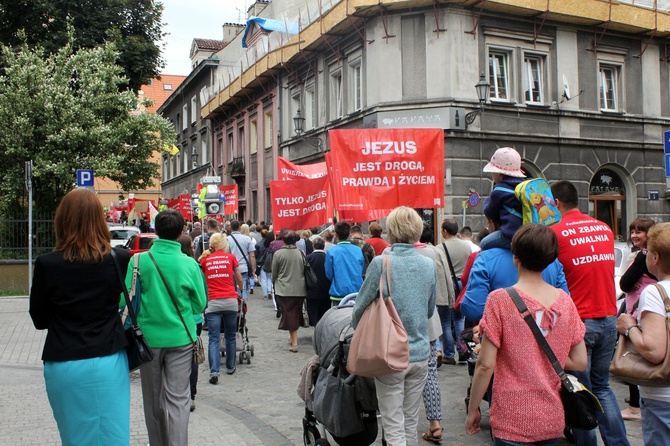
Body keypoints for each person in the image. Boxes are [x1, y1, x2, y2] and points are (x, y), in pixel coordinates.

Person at [465, 224, 587, 445]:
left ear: (515, 257)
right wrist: (545, 356)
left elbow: (485, 364)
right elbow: (580, 361)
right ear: (550, 259)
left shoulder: (499, 300)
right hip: (552, 416)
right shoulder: (565, 302)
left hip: (511, 417)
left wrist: (473, 409)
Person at [29, 188, 131, 446]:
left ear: (62, 220)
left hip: (64, 361)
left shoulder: (47, 264)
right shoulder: (119, 258)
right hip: (108, 359)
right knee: (112, 435)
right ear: (99, 219)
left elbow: (39, 319)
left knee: (74, 438)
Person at [550, 180, 630, 446]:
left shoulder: (556, 233)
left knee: (580, 393)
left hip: (579, 323)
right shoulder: (604, 228)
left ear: (557, 203)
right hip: (608, 318)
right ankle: (619, 443)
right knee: (603, 388)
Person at [351, 206, 436, 446]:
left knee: (392, 422)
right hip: (419, 354)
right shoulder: (427, 265)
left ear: (393, 230)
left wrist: (356, 326)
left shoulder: (381, 263)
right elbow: (429, 311)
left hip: (390, 354)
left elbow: (360, 305)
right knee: (410, 421)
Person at [129, 209, 207, 446]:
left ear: (155, 230)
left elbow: (126, 302)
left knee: (153, 400)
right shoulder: (189, 264)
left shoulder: (138, 261)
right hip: (181, 338)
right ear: (181, 231)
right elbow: (200, 303)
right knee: (178, 399)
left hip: (148, 340)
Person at [616, 222, 670, 445]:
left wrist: (629, 327)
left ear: (655, 257)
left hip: (663, 397)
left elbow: (654, 350)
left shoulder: (656, 292)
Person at [461, 217, 568, 324]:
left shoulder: (497, 296)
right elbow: (566, 310)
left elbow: (473, 311)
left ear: (515, 256)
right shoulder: (555, 266)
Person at [619, 217, 657, 422]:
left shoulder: (643, 257)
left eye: (639, 232)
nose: (634, 235)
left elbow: (625, 284)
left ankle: (635, 407)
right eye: (633, 231)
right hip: (652, 311)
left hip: (638, 313)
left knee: (634, 357)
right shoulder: (657, 256)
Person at [414, 226, 449, 443]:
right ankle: (435, 423)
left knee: (396, 375)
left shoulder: (387, 255)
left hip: (398, 326)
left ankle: (399, 428)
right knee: (430, 374)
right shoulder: (433, 252)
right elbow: (440, 285)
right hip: (429, 322)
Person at [199, 233, 244, 380]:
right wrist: (241, 289)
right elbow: (238, 277)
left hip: (212, 302)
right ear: (224, 244)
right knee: (230, 336)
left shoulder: (205, 260)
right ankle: (230, 367)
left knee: (213, 338)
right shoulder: (230, 258)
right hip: (230, 301)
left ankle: (214, 371)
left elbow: (201, 281)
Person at [479, 147, 525, 251]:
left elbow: (489, 212)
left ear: (499, 172)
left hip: (512, 234)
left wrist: (487, 200)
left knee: (484, 243)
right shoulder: (525, 185)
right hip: (530, 232)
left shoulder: (499, 190)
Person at [178, 235, 204, 412]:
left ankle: (177, 393)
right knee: (191, 357)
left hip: (173, 322)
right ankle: (191, 395)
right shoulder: (193, 266)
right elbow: (202, 302)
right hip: (193, 320)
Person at [439, 219, 471, 364]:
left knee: (445, 321)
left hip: (448, 284)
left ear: (445, 231)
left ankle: (449, 355)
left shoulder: (440, 248)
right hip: (462, 284)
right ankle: (462, 350)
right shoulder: (466, 246)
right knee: (459, 319)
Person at [271, 230, 307, 352]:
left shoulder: (278, 254)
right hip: (299, 288)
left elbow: (274, 272)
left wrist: (273, 282)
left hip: (284, 289)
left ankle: (295, 343)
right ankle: (292, 337)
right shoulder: (300, 253)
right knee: (295, 314)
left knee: (290, 315)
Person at [325, 221, 365, 306]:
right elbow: (361, 269)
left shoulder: (331, 251)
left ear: (336, 234)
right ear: (349, 233)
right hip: (356, 292)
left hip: (338, 292)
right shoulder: (358, 250)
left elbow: (329, 274)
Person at [305, 236, 332, 327]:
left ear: (313, 246)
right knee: (324, 312)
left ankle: (315, 327)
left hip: (311, 289)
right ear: (323, 246)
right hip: (326, 289)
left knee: (312, 312)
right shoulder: (327, 257)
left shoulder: (308, 258)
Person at [228, 220, 256, 302]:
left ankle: (237, 306)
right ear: (240, 227)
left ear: (230, 228)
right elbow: (252, 255)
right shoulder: (247, 239)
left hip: (231, 268)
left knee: (234, 289)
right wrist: (253, 269)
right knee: (243, 288)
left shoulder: (226, 239)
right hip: (243, 267)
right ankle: (243, 306)